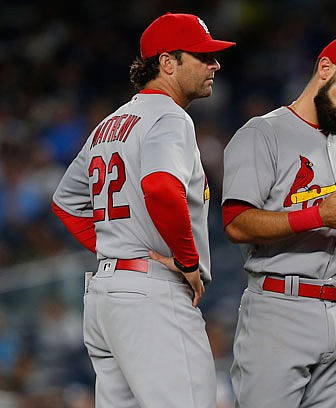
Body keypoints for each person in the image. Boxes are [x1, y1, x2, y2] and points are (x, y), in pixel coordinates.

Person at [51, 12, 235, 407]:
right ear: (167, 63)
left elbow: (66, 203)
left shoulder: (109, 123)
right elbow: (161, 187)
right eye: (202, 55)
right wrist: (187, 260)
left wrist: (117, 251)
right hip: (151, 295)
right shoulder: (170, 117)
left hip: (105, 297)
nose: (214, 64)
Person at [222, 36, 336, 408]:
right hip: (280, 309)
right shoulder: (262, 134)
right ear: (326, 69)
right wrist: (317, 215)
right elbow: (236, 223)